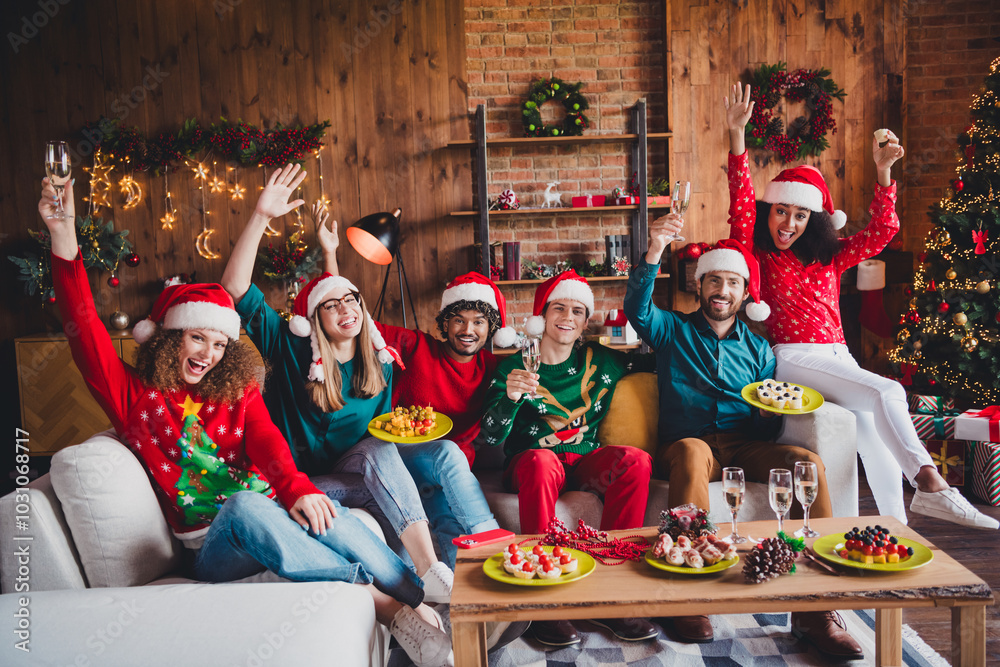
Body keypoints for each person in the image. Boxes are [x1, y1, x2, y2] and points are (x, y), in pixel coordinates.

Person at [37, 177, 452, 667]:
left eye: (218, 344)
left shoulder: (235, 390)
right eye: (197, 339)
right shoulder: (134, 397)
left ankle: (426, 604)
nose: (209, 354)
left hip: (276, 513)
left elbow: (265, 439)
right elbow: (84, 329)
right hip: (215, 545)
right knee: (244, 506)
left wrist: (298, 489)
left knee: (320, 511)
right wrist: (64, 243)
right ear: (171, 339)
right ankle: (395, 610)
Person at [723, 82, 998, 530]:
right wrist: (737, 138)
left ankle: (899, 535)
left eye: (799, 215)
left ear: (813, 219)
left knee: (875, 444)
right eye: (780, 212)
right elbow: (739, 204)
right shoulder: (761, 256)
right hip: (794, 356)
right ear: (768, 210)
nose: (788, 223)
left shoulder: (829, 255)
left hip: (839, 356)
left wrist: (883, 173)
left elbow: (881, 232)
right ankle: (932, 485)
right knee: (890, 391)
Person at [221, 164, 457, 606]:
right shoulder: (289, 348)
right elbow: (235, 288)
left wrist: (331, 257)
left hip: (358, 469)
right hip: (303, 484)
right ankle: (417, 590)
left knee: (384, 453)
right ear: (314, 321)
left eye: (352, 300)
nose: (345, 309)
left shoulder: (378, 358)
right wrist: (260, 216)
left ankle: (434, 573)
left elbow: (334, 294)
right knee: (408, 489)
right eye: (331, 307)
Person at [625, 230, 863, 659]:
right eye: (714, 280)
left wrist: (769, 417)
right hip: (686, 445)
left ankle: (816, 610)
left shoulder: (758, 350)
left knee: (804, 461)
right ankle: (688, 595)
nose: (722, 290)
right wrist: (655, 251)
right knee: (695, 452)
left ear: (746, 292)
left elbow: (765, 416)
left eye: (733, 282)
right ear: (698, 286)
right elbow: (637, 309)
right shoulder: (671, 329)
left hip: (743, 445)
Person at [314, 205, 510, 565]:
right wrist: (330, 255)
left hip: (444, 479)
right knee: (447, 451)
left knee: (452, 529)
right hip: (397, 460)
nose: (468, 330)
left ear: (490, 328)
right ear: (444, 324)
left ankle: (466, 611)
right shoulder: (415, 346)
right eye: (459, 320)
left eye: (479, 322)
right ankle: (488, 535)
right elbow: (347, 316)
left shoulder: (495, 368)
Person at [481, 269, 658, 647]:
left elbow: (663, 362)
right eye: (558, 308)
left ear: (585, 322)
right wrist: (510, 399)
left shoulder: (605, 360)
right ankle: (547, 600)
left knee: (637, 460)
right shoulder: (514, 365)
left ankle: (614, 588)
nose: (567, 317)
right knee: (542, 461)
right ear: (542, 316)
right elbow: (490, 436)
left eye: (577, 311)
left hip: (584, 462)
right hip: (531, 464)